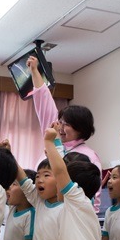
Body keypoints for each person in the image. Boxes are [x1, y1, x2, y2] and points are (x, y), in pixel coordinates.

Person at [26, 55, 102, 213]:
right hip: (43, 210)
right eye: (60, 122)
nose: (60, 127)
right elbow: (43, 103)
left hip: (70, 214)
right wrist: (34, 71)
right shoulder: (54, 140)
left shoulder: (88, 156)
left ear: (81, 128)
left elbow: (93, 192)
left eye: (67, 124)